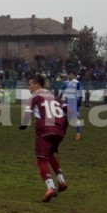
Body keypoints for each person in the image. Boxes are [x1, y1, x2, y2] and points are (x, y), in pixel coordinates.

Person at [19, 74, 69, 203]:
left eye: (30, 84)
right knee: (50, 155)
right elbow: (69, 112)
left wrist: (23, 124)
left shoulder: (35, 97)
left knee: (41, 159)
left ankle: (50, 187)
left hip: (45, 131)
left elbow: (27, 113)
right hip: (59, 131)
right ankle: (61, 181)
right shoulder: (56, 98)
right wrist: (64, 129)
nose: (28, 87)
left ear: (37, 84)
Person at [59, 71, 83, 140]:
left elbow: (80, 92)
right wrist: (59, 98)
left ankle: (78, 134)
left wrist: (80, 100)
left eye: (71, 75)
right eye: (69, 75)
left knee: (75, 118)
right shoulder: (65, 83)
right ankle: (62, 132)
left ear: (74, 76)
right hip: (67, 101)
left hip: (74, 102)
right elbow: (62, 91)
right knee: (64, 118)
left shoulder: (77, 83)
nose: (70, 76)